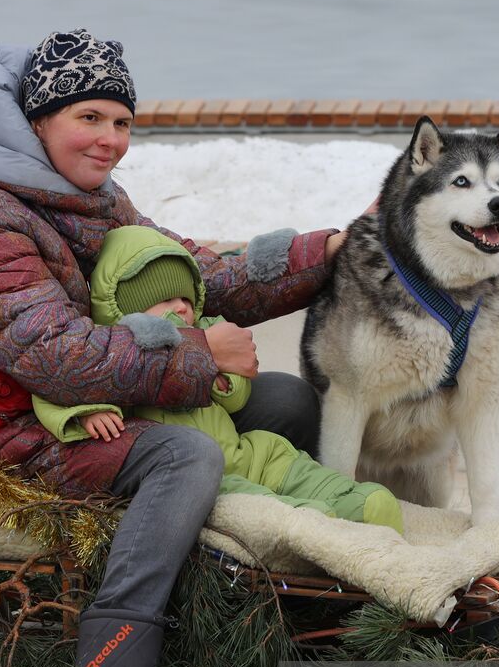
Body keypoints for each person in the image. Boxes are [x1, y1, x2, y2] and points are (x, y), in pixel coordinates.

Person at [0, 29, 357, 667]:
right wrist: (202, 355)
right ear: (35, 120)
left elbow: (197, 277)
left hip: (84, 409)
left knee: (284, 402)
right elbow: (56, 357)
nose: (112, 140)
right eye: (90, 118)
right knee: (183, 455)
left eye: (122, 122)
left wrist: (331, 251)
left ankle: (273, 604)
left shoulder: (93, 201)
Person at [32, 225, 404, 532]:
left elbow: (237, 400)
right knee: (242, 496)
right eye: (164, 301)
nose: (181, 307)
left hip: (236, 449)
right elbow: (54, 389)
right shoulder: (110, 349)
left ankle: (354, 501)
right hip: (196, 471)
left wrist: (223, 377)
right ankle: (312, 523)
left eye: (185, 298)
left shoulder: (209, 332)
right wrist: (87, 412)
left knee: (279, 457)